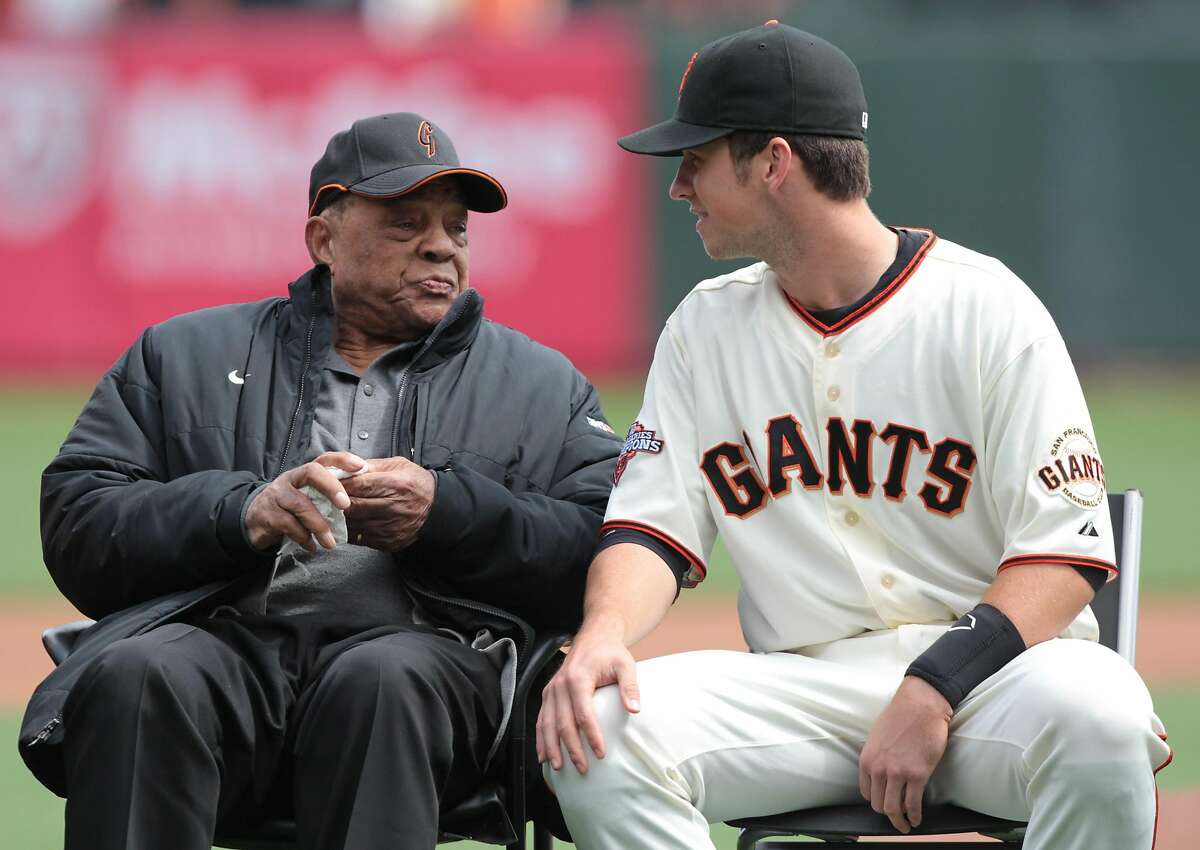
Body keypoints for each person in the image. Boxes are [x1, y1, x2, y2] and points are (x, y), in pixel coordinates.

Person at [537, 22, 1171, 850]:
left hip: (997, 684)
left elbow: (1067, 555)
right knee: (595, 737)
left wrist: (933, 688)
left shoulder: (985, 309)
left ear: (773, 162)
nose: (677, 186)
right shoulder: (705, 327)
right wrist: (603, 636)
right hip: (803, 692)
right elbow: (650, 530)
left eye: (696, 158)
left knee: (1104, 718)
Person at [20, 112, 621, 850]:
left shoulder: (541, 385)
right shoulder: (181, 354)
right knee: (137, 674)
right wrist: (243, 513)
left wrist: (445, 514)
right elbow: (80, 518)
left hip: (423, 660)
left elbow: (603, 545)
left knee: (380, 678)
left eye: (456, 228)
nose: (440, 245)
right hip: (228, 649)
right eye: (405, 222)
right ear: (323, 240)